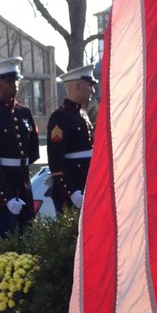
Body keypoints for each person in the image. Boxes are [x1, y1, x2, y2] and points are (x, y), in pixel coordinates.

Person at [0, 56, 40, 241]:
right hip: (0, 195)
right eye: (9, 81)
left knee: (28, 246)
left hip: (23, 188)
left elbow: (33, 152)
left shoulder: (24, 113)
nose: (15, 86)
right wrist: (7, 197)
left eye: (16, 80)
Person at [46, 64, 97, 213]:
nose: (93, 90)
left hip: (85, 187)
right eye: (89, 85)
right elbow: (56, 160)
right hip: (70, 193)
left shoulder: (82, 115)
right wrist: (72, 191)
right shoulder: (60, 117)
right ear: (78, 86)